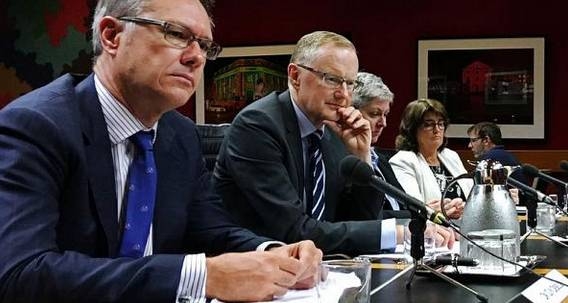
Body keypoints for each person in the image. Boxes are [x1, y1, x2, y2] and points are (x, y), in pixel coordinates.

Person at [0, 0, 322, 302]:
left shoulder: (180, 135)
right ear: (112, 36)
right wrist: (202, 275)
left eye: (205, 46)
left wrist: (275, 255)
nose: (196, 57)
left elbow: (211, 230)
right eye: (177, 34)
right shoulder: (35, 126)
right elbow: (20, 274)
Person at [213, 31, 454, 256]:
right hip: (255, 271)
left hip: (320, 271)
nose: (344, 94)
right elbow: (293, 231)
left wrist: (362, 158)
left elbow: (356, 220)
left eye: (350, 83)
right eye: (332, 79)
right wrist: (396, 234)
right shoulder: (258, 125)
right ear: (295, 76)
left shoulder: (332, 132)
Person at [389, 99, 471, 219]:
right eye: (428, 124)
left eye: (441, 124)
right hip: (432, 231)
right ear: (412, 129)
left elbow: (471, 197)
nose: (437, 129)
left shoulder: (450, 156)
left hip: (465, 227)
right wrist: (442, 211)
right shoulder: (403, 161)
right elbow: (415, 208)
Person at [352, 72, 410, 219]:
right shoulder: (342, 159)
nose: (383, 123)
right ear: (351, 112)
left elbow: (404, 205)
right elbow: (369, 217)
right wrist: (417, 214)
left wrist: (427, 210)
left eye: (385, 114)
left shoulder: (380, 159)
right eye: (374, 114)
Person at [467, 121, 526, 202]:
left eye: (473, 140)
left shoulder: (489, 162)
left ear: (486, 140)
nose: (469, 145)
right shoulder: (505, 155)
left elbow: (479, 197)